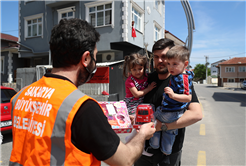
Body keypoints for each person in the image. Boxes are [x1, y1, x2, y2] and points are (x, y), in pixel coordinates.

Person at [9, 18, 156, 166]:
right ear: (86, 58)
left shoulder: (19, 96)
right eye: (95, 56)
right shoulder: (82, 107)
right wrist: (142, 134)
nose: (95, 62)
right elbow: (125, 160)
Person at [134, 38, 202, 166]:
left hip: (169, 155)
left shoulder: (179, 79)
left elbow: (196, 114)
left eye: (164, 56)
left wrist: (163, 126)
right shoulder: (148, 79)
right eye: (156, 57)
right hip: (142, 149)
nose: (160, 61)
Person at [149, 45, 194, 155]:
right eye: (169, 64)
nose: (171, 67)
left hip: (170, 111)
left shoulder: (182, 78)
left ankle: (154, 145)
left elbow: (188, 98)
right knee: (169, 133)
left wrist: (173, 95)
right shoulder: (151, 76)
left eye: (174, 64)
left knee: (152, 119)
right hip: (172, 111)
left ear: (185, 64)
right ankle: (166, 150)